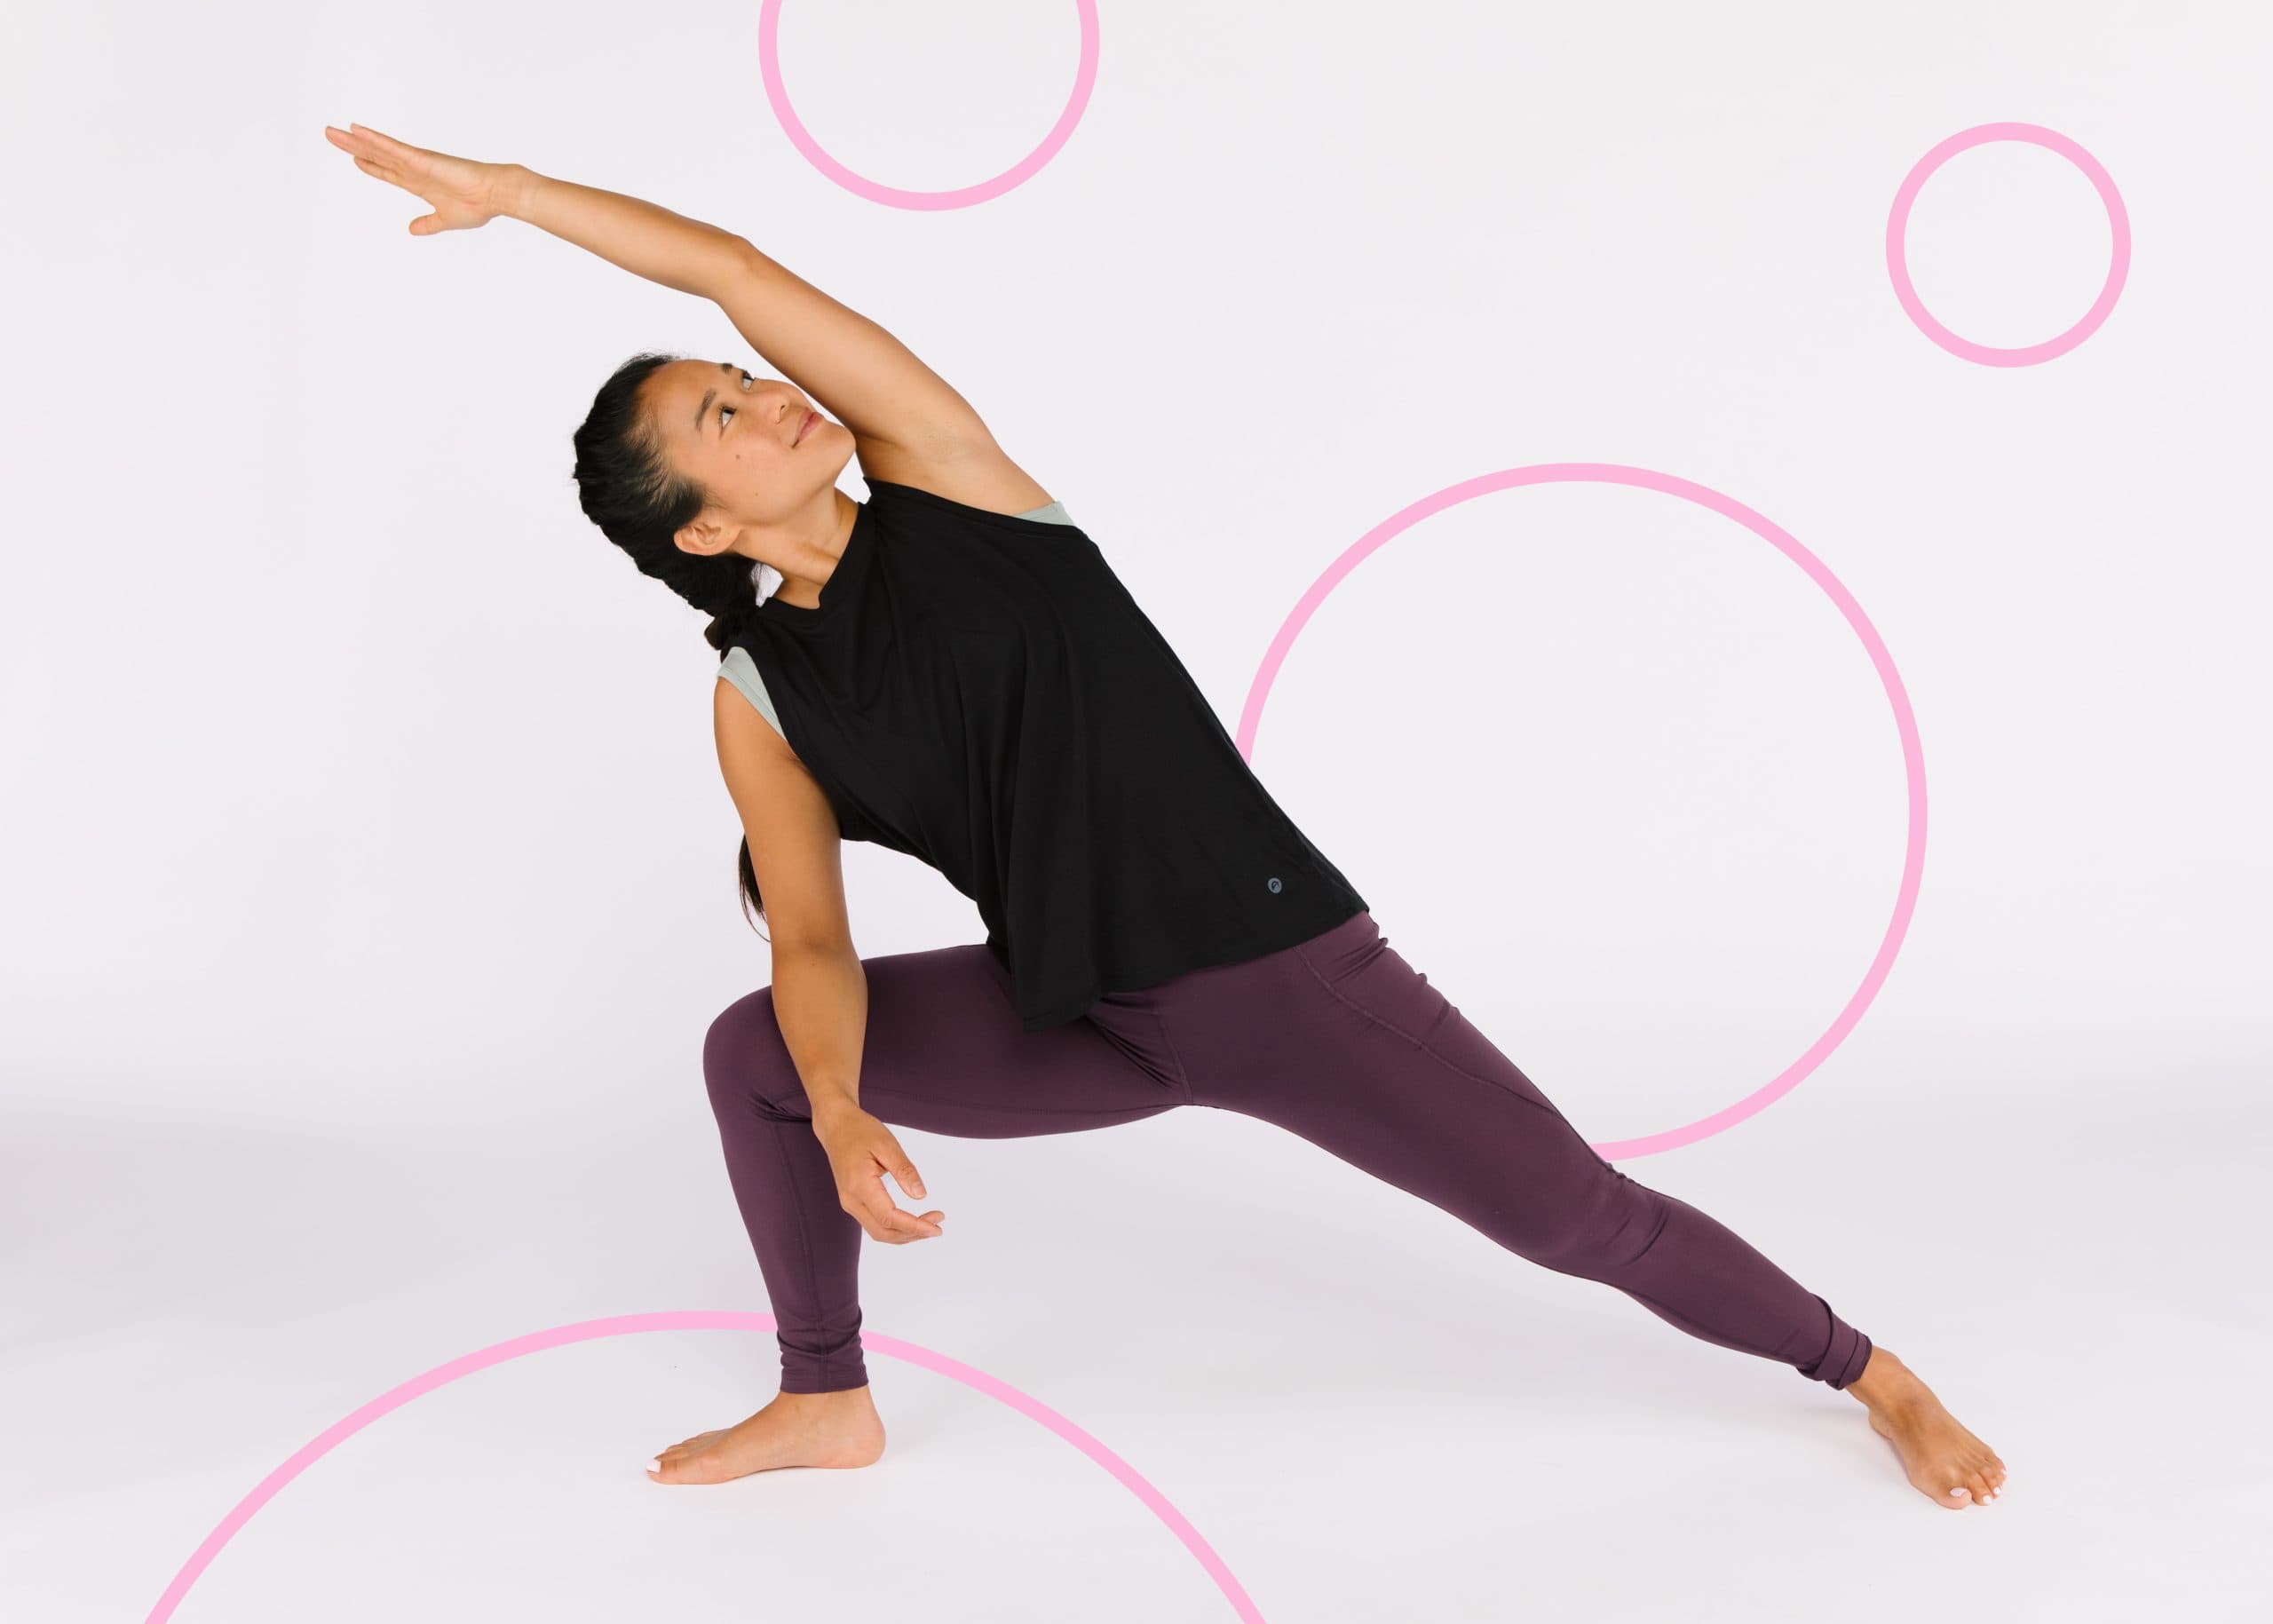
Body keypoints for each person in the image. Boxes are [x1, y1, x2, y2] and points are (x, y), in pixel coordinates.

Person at [325, 123, 2008, 1512]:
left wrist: (523, 203)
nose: (767, 395)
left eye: (739, 381)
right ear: (701, 531)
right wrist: (838, 1109)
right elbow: (815, 937)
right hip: (1088, 1013)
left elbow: (736, 270)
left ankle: (1872, 1370)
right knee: (753, 1050)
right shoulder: (761, 701)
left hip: (1279, 974)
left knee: (1575, 1217)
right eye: (723, 417)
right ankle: (825, 1398)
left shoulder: (951, 479)